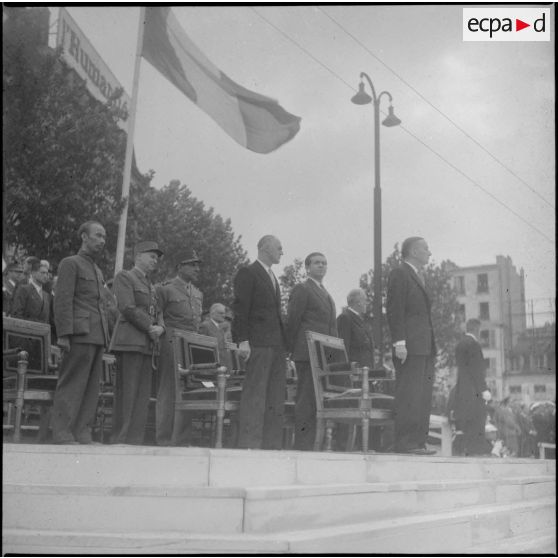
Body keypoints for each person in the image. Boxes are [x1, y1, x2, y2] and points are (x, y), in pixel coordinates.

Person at [50, 221, 110, 444]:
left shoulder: (97, 270)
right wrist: (64, 335)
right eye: (98, 235)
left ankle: (83, 431)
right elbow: (63, 300)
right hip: (79, 333)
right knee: (73, 383)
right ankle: (62, 432)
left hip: (97, 335)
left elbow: (101, 305)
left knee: (91, 388)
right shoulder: (70, 263)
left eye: (104, 237)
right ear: (84, 237)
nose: (102, 241)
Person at [232, 235, 286, 450]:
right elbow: (241, 308)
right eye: (279, 247)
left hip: (276, 345)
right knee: (255, 394)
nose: (282, 252)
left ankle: (271, 444)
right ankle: (250, 443)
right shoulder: (249, 272)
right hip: (258, 343)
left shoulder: (273, 277)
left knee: (275, 395)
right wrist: (243, 340)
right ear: (265, 248)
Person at [110, 241, 165, 445]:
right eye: (151, 256)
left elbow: (158, 312)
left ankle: (134, 439)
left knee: (141, 396)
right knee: (128, 393)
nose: (155, 261)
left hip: (146, 344)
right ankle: (120, 438)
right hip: (130, 342)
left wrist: (161, 327)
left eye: (156, 258)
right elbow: (127, 307)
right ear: (138, 255)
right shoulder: (125, 277)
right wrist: (151, 327)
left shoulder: (150, 285)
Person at [386, 236, 437, 455]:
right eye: (426, 248)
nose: (429, 252)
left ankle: (418, 442)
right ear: (414, 252)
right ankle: (405, 442)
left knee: (422, 395)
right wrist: (399, 342)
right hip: (409, 346)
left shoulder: (418, 276)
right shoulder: (400, 273)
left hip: (424, 347)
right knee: (409, 393)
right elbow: (395, 309)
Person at [286, 252, 337, 451]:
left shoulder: (326, 293)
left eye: (324, 263)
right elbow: (293, 321)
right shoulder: (302, 289)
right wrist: (291, 350)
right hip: (306, 353)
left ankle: (315, 444)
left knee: (318, 400)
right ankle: (302, 445)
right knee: (306, 399)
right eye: (317, 263)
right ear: (307, 267)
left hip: (324, 356)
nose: (321, 266)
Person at [155, 250, 203, 446]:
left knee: (189, 389)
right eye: (192, 264)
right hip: (172, 341)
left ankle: (182, 438)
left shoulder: (198, 293)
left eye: (198, 265)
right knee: (168, 389)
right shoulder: (164, 289)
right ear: (179, 267)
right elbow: (157, 316)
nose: (197, 269)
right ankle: (164, 438)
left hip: (192, 344)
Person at [453, 318, 492, 456]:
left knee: (468, 421)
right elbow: (477, 369)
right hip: (475, 390)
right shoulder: (474, 344)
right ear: (477, 329)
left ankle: (469, 450)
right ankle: (477, 451)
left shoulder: (459, 344)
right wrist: (484, 389)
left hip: (463, 389)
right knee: (477, 419)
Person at [336, 288, 374, 369]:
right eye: (365, 300)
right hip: (354, 373)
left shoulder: (360, 320)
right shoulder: (345, 318)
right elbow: (343, 350)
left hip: (365, 372)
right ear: (358, 302)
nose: (366, 303)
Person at [199, 302, 232, 370]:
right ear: (212, 313)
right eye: (221, 313)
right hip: (212, 368)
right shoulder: (205, 326)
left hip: (223, 367)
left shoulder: (221, 329)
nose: (224, 315)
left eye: (224, 313)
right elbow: (202, 350)